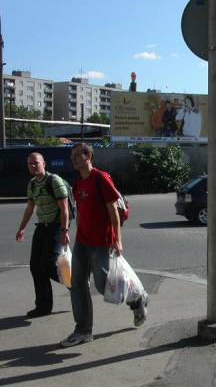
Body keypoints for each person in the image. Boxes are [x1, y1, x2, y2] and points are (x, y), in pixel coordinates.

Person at [60, 143, 149, 347]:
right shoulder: (78, 183)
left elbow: (113, 212)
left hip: (102, 242)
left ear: (88, 156)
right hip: (82, 242)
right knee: (77, 285)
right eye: (71, 156)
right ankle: (83, 330)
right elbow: (81, 212)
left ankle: (137, 300)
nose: (73, 159)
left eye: (77, 155)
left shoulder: (101, 178)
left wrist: (117, 239)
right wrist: (74, 234)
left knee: (103, 286)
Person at [16, 152, 70, 318]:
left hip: (55, 227)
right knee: (35, 267)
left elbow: (65, 209)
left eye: (36, 163)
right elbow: (30, 209)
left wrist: (64, 230)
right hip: (41, 228)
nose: (33, 166)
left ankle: (74, 284)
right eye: (30, 164)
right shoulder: (32, 184)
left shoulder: (54, 181)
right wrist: (22, 228)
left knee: (47, 264)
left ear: (44, 163)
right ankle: (43, 307)